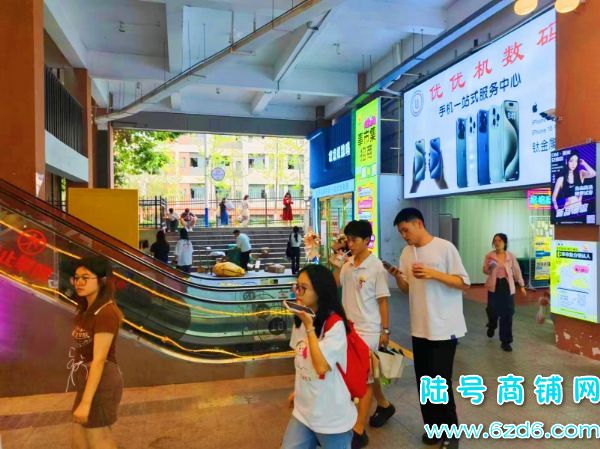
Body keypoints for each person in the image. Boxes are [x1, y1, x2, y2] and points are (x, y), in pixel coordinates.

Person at [388, 208, 469, 449]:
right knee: (425, 382)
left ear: (419, 224)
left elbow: (463, 282)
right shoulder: (407, 253)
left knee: (441, 382)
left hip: (444, 327)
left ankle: (451, 434)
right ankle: (433, 429)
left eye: (406, 230)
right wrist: (398, 277)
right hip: (420, 327)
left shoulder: (445, 248)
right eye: (401, 232)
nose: (404, 235)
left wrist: (433, 273)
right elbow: (408, 289)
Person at [331, 220, 393, 449]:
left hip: (369, 330)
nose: (350, 243)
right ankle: (384, 405)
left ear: (367, 240)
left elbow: (383, 301)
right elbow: (334, 283)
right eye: (348, 239)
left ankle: (359, 429)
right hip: (349, 328)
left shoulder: (376, 267)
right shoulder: (347, 264)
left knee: (364, 378)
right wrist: (336, 262)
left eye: (354, 239)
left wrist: (385, 330)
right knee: (369, 373)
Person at [281, 264, 357, 449]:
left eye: (303, 288)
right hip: (304, 411)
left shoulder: (335, 324)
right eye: (296, 286)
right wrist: (298, 390)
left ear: (320, 291)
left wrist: (310, 327)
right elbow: (300, 360)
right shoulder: (301, 319)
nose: (298, 292)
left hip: (331, 415)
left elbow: (321, 366)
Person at [67, 256, 124, 449]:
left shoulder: (106, 313)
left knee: (99, 439)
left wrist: (86, 402)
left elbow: (99, 360)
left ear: (102, 281)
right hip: (88, 380)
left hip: (101, 382)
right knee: (79, 442)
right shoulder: (86, 309)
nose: (79, 282)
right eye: (76, 278)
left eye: (85, 277)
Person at [483, 233, 526, 352]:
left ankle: (506, 341)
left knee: (507, 313)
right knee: (492, 310)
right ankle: (492, 325)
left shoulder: (510, 256)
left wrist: (522, 285)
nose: (497, 243)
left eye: (500, 240)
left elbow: (516, 271)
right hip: (494, 285)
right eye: (495, 240)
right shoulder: (489, 256)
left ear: (505, 243)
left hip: (506, 286)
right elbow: (485, 270)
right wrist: (489, 268)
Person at [551, 150, 596, 217]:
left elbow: (593, 174)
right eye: (571, 161)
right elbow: (553, 198)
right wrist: (558, 211)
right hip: (567, 211)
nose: (574, 164)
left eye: (576, 161)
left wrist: (584, 163)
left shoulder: (581, 174)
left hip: (579, 211)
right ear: (567, 161)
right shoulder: (561, 179)